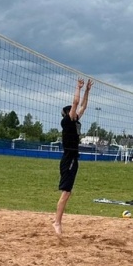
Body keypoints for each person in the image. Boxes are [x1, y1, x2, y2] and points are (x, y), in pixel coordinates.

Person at [53, 77, 93, 236]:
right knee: (66, 192)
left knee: (68, 192)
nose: (76, 112)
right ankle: (56, 222)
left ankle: (57, 221)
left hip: (74, 159)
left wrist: (87, 91)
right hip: (68, 159)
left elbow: (83, 106)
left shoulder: (75, 121)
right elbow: (76, 103)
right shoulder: (67, 122)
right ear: (68, 113)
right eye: (73, 111)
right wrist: (78, 87)